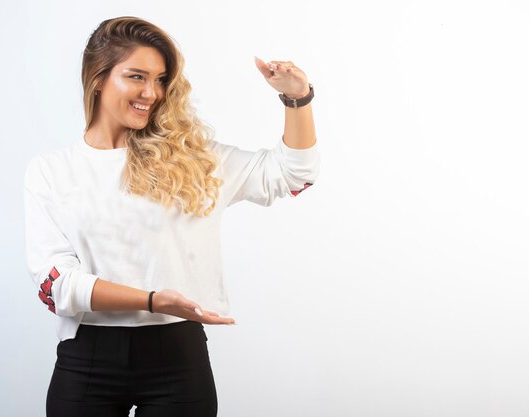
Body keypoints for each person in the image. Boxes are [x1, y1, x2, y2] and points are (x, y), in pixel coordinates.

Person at [23, 16, 320, 417]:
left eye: (161, 79)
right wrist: (152, 300)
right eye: (136, 77)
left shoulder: (191, 159)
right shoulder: (52, 170)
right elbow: (55, 285)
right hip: (88, 359)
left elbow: (294, 174)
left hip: (177, 359)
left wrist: (297, 99)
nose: (152, 92)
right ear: (98, 77)